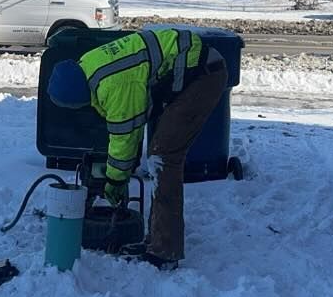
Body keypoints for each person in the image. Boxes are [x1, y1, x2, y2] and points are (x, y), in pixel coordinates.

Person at [46, 27, 228, 268]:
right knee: (159, 153)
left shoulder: (115, 85)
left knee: (164, 156)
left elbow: (125, 138)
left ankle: (164, 252)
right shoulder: (88, 64)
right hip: (190, 68)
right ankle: (156, 239)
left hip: (203, 76)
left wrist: (115, 182)